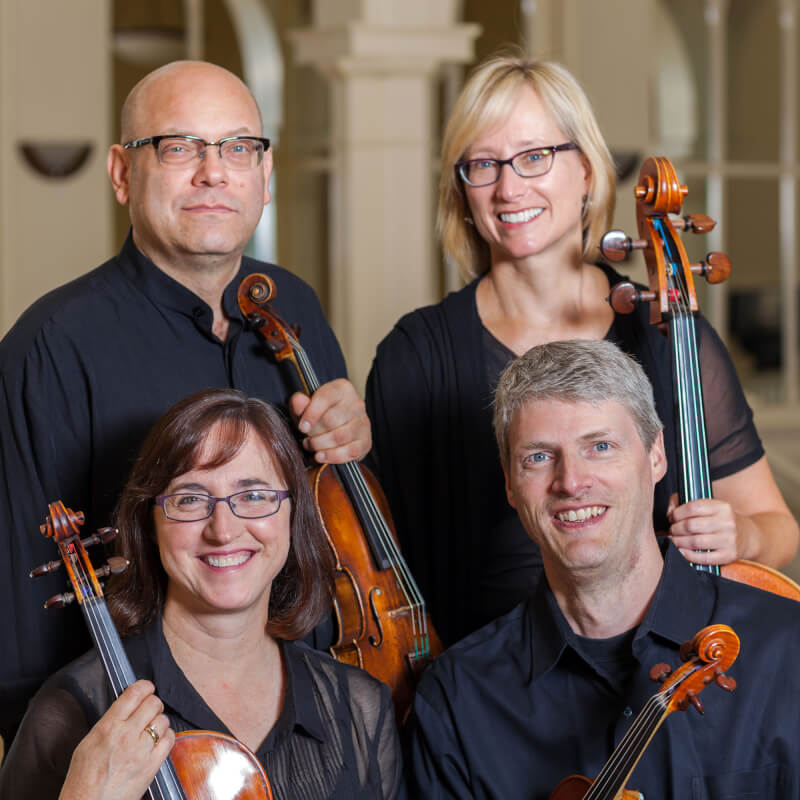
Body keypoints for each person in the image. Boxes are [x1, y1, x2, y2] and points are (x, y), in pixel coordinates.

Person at [366, 52, 798, 646]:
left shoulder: (669, 332)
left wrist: (742, 536)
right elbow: (387, 571)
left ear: (588, 172)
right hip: (489, 679)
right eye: (483, 164)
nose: (509, 187)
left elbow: (778, 528)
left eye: (535, 156)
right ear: (462, 189)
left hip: (665, 663)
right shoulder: (415, 357)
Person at [0, 61, 370, 743]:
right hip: (145, 738)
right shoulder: (48, 346)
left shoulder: (294, 307)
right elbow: (21, 619)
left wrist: (351, 445)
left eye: (238, 148)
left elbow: (327, 530)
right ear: (122, 173)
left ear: (264, 173)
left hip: (306, 715)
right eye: (179, 147)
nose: (213, 173)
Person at [406, 339, 800, 799]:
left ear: (656, 455)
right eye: (538, 457)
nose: (571, 482)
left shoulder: (787, 648)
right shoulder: (457, 699)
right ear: (510, 483)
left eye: (600, 446)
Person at [0, 388, 403, 800]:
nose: (223, 530)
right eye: (190, 499)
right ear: (151, 525)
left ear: (293, 513)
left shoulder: (360, 708)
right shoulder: (71, 711)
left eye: (253, 495)